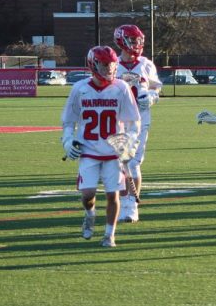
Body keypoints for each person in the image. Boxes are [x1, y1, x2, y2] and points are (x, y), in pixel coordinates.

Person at [61, 46, 141, 247]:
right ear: (93, 64)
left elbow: (134, 122)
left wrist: (129, 142)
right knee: (88, 194)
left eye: (112, 64)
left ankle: (109, 234)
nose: (110, 69)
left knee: (112, 194)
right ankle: (89, 214)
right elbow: (68, 122)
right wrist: (68, 141)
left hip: (113, 152)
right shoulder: (80, 88)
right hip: (88, 150)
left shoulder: (121, 87)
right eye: (105, 64)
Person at [113, 24, 162, 223]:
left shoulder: (146, 64)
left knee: (132, 163)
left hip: (140, 120)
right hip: (118, 121)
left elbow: (157, 88)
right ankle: (125, 203)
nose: (136, 44)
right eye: (132, 40)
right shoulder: (113, 64)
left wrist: (151, 96)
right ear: (121, 41)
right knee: (120, 164)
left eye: (138, 40)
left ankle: (132, 206)